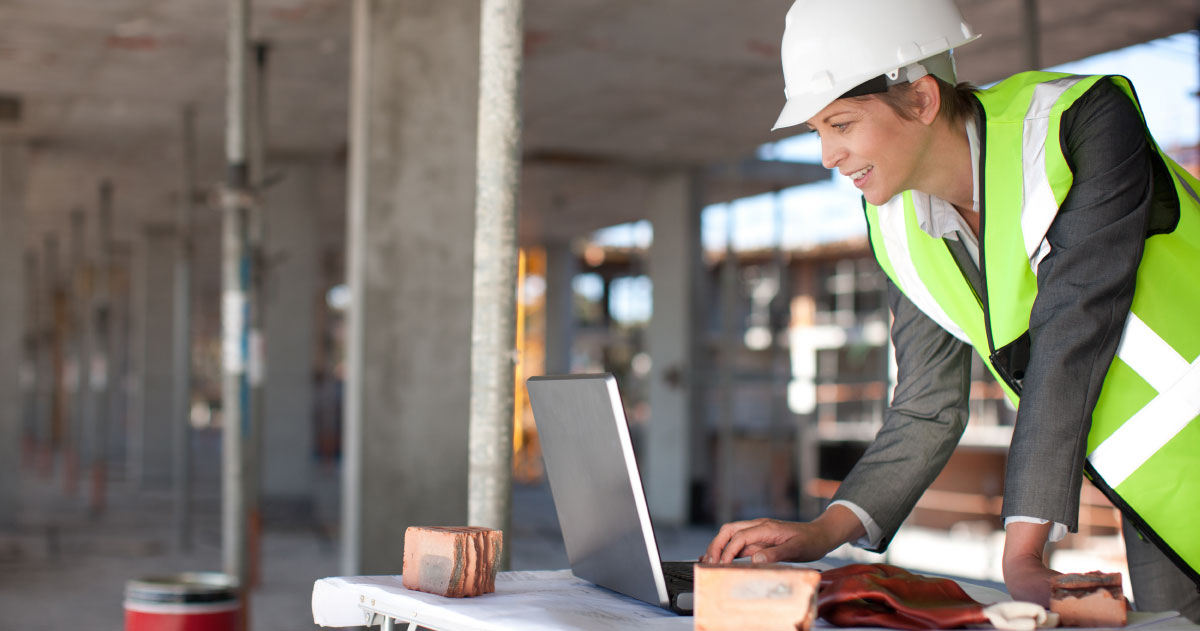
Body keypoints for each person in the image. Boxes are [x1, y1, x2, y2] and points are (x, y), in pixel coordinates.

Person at [703, 0, 1200, 620]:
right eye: (817, 132)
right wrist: (820, 532)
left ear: (922, 100)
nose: (828, 156)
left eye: (843, 124)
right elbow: (925, 408)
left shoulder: (1082, 123)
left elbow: (1073, 329)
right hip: (1157, 500)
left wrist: (1022, 554)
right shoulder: (896, 225)